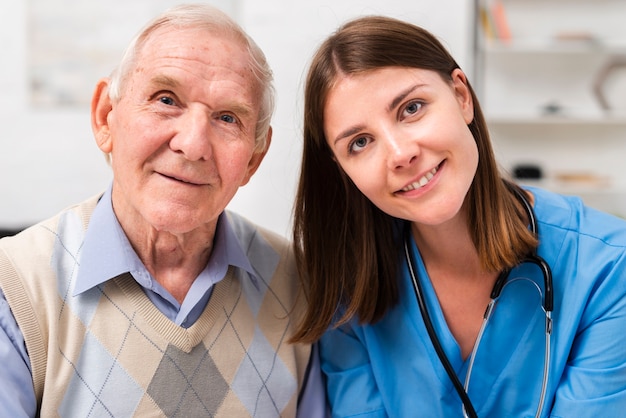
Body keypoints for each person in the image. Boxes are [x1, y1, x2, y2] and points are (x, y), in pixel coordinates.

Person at [290, 15, 626, 417]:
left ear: (461, 96)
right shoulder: (348, 288)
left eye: (411, 108)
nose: (400, 154)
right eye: (360, 142)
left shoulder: (608, 266)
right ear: (342, 168)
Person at [0, 4, 326, 417]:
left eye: (227, 118)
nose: (192, 144)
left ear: (253, 159)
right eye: (166, 99)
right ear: (106, 117)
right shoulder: (13, 289)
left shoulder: (297, 283)